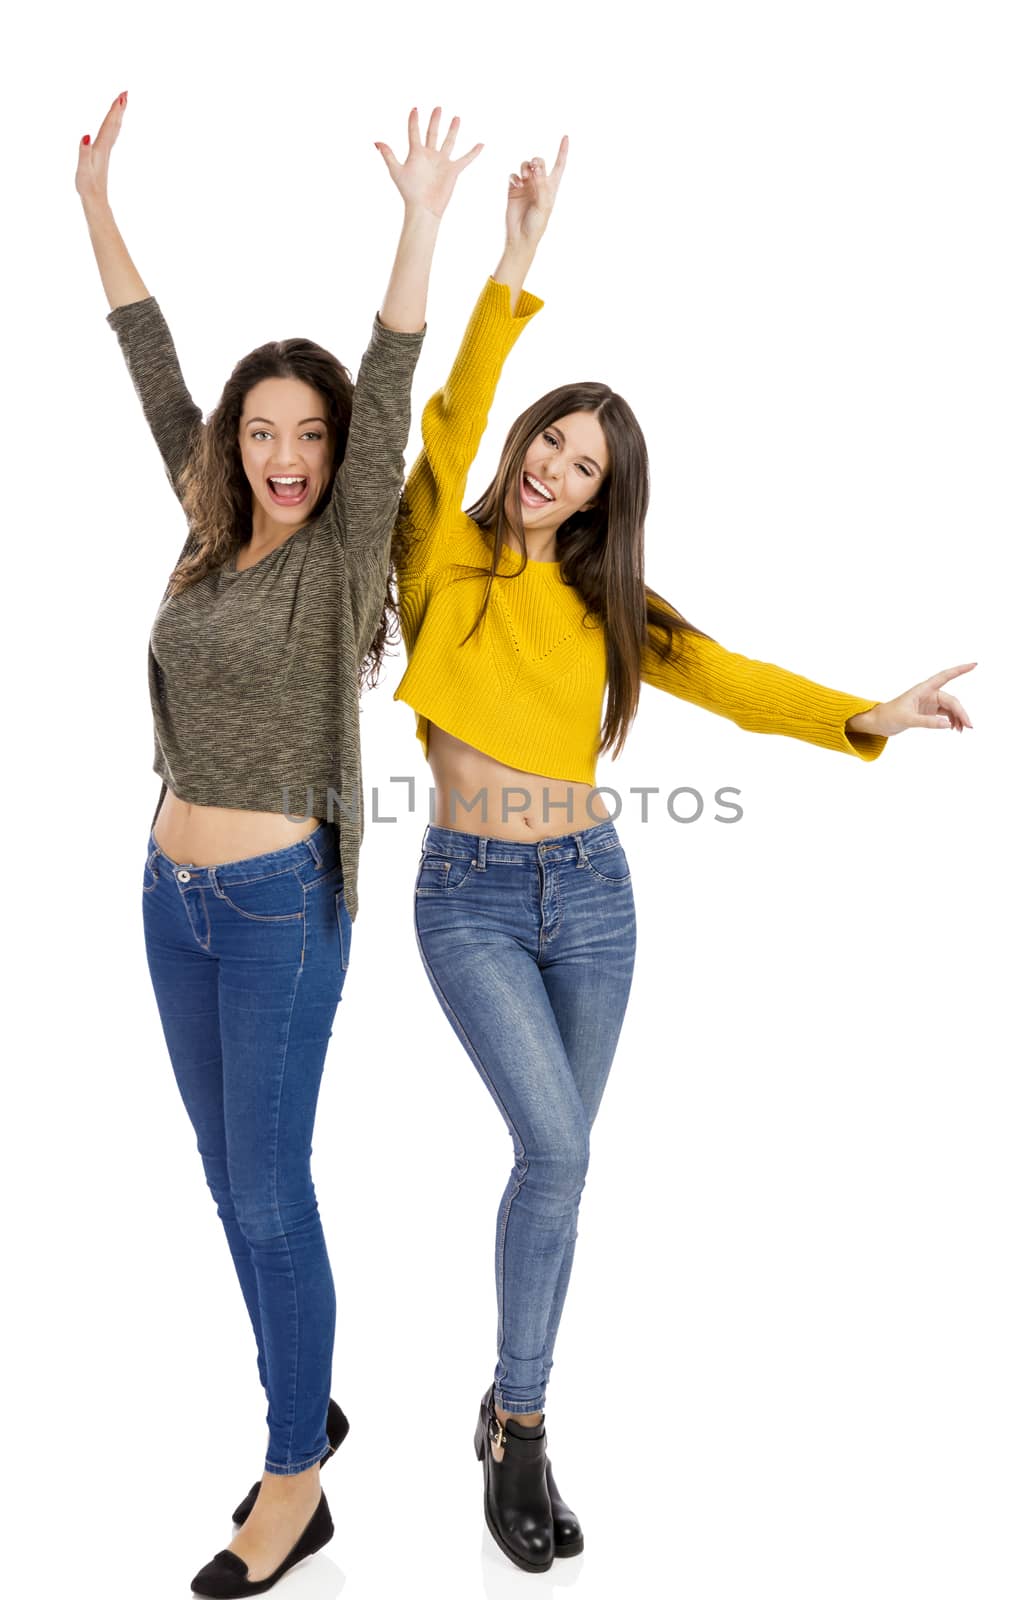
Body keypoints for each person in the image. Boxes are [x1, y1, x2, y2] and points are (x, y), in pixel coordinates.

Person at [392, 141, 976, 1574]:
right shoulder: (433, 551)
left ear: (602, 495)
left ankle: (510, 1413)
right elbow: (447, 415)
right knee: (557, 1144)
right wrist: (512, 260)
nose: (552, 469)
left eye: (584, 466)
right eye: (549, 442)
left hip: (591, 895)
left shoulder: (601, 602)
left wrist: (860, 713)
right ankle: (521, 1427)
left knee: (561, 1167)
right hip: (468, 900)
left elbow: (717, 674)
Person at [77, 94, 481, 1597]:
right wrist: (96, 204)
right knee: (220, 1173)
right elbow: (149, 367)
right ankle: (300, 1404)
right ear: (235, 445)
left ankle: (293, 1481)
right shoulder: (204, 526)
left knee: (267, 1187)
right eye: (264, 433)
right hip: (166, 894)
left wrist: (421, 220)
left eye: (309, 437)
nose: (288, 456)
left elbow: (390, 372)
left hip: (271, 906)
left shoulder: (340, 544)